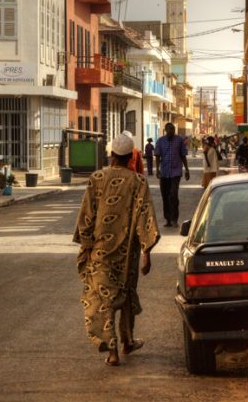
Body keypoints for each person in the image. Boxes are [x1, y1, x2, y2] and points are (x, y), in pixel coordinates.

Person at [73, 133, 160, 367]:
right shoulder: (139, 182)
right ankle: (127, 341)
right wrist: (146, 253)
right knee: (126, 295)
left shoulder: (96, 178)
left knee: (104, 298)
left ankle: (113, 352)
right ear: (131, 156)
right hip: (127, 253)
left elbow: (87, 216)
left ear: (112, 155)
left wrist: (86, 247)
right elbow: (146, 217)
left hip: (100, 253)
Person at [154, 123, 191, 227]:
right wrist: (157, 170)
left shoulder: (179, 140)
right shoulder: (160, 141)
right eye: (169, 130)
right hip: (164, 173)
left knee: (173, 195)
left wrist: (187, 170)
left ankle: (175, 219)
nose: (171, 131)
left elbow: (183, 155)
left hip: (176, 172)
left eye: (173, 130)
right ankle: (168, 219)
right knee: (165, 196)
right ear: (165, 130)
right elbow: (157, 156)